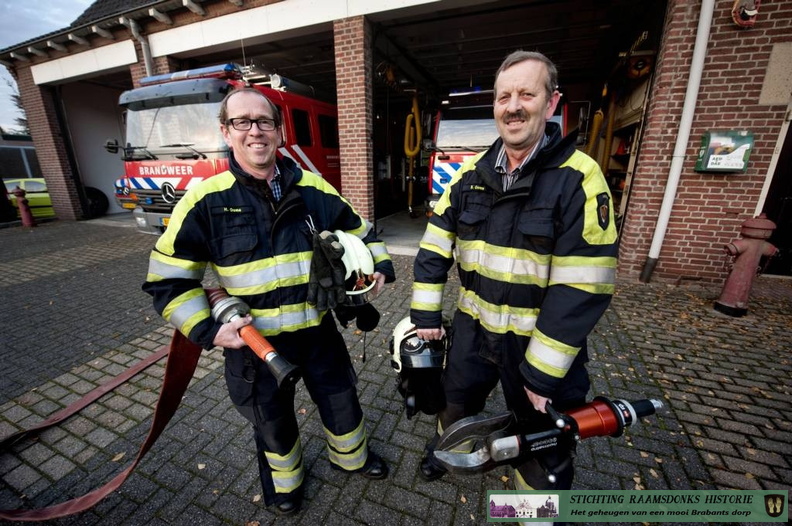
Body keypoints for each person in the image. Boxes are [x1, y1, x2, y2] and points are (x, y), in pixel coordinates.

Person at [143, 88, 395, 516]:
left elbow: (366, 233)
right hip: (255, 346)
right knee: (272, 422)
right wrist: (208, 330)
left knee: (342, 400)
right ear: (226, 131)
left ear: (279, 131)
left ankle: (352, 459)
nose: (255, 130)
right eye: (242, 122)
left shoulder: (314, 188)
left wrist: (381, 268)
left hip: (318, 332)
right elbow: (168, 281)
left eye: (264, 121)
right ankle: (286, 485)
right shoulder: (205, 201)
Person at [410, 50, 618, 492]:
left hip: (535, 343)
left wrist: (542, 374)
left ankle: (534, 512)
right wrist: (427, 316)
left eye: (527, 93)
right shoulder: (469, 175)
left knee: (544, 447)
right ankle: (449, 456)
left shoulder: (580, 177)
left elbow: (583, 288)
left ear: (552, 102)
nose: (513, 105)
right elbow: (433, 246)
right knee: (454, 405)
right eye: (504, 96)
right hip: (472, 330)